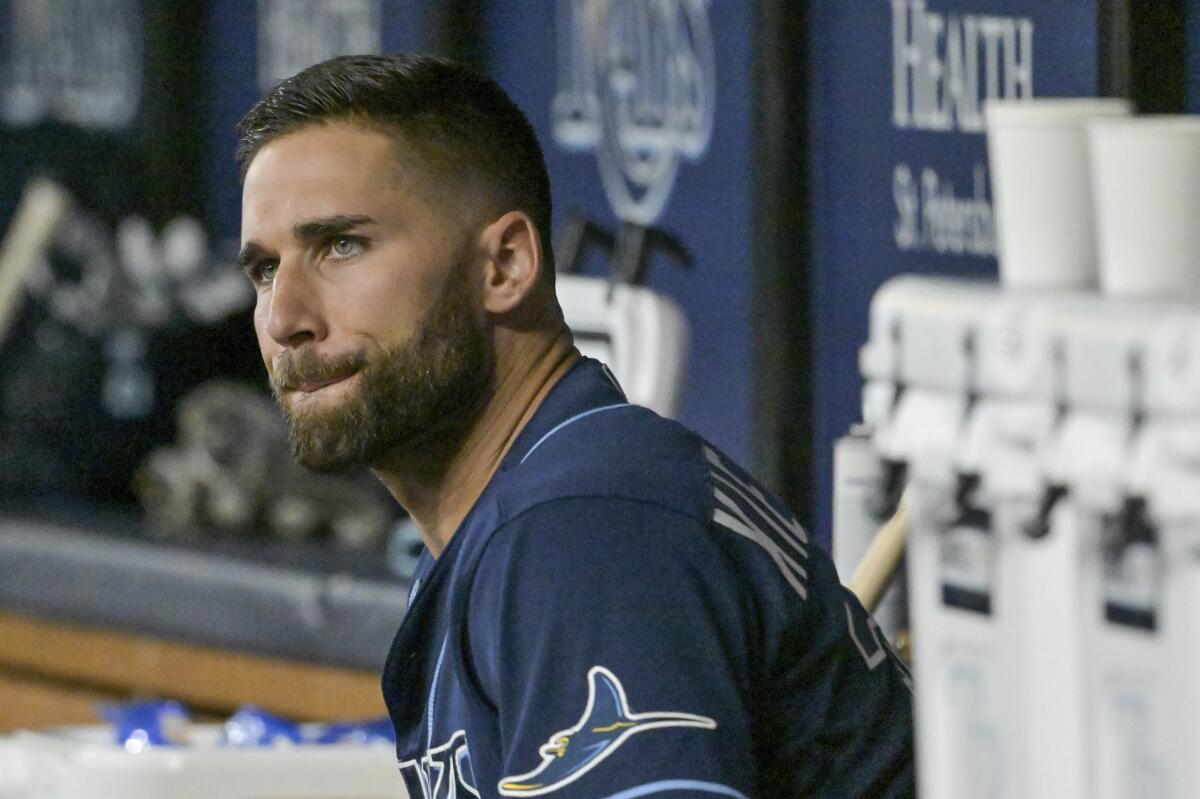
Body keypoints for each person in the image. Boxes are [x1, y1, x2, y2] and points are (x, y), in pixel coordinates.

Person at [236, 53, 914, 798]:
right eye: (265, 269)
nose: (284, 318)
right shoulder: (531, 506)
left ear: (505, 265)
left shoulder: (581, 527)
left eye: (341, 245)